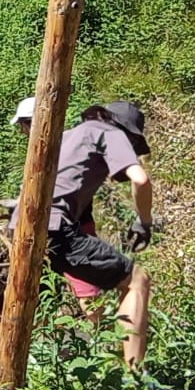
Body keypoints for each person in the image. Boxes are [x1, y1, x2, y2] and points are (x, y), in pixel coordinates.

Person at [32, 100, 155, 365]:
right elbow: (140, 179)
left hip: (24, 226)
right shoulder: (110, 132)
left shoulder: (69, 136)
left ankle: (35, 371)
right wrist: (144, 222)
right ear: (128, 133)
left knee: (35, 304)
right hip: (55, 226)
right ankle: (135, 377)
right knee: (137, 280)